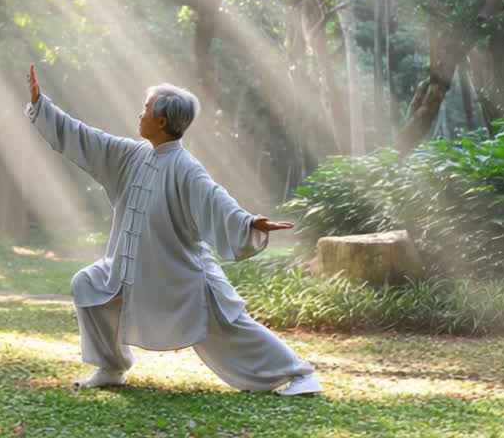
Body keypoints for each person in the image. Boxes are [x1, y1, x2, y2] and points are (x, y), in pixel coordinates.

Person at [24, 65, 321, 396]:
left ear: (162, 121)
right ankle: (111, 366)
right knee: (88, 285)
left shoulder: (186, 168)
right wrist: (41, 106)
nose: (140, 114)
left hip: (182, 275)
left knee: (232, 325)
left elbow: (215, 200)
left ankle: (301, 373)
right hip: (130, 268)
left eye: (146, 109)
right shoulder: (131, 155)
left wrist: (247, 223)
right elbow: (87, 138)